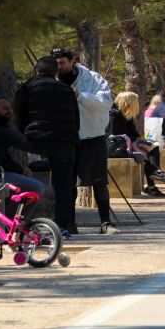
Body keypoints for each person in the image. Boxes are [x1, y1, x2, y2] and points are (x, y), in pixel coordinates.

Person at [54, 48, 119, 234]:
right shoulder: (51, 79)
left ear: (72, 61)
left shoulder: (93, 78)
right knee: (68, 184)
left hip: (93, 137)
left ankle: (105, 223)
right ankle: (69, 224)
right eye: (56, 64)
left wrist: (80, 96)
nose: (60, 67)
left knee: (99, 182)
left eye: (62, 63)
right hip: (66, 139)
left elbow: (106, 103)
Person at [13, 56, 80, 235]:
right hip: (65, 140)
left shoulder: (26, 88)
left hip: (36, 138)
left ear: (36, 69)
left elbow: (20, 117)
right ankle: (63, 226)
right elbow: (76, 121)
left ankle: (19, 221)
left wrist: (25, 134)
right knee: (64, 185)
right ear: (55, 71)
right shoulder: (67, 90)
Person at [109, 92, 165, 197]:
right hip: (117, 145)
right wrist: (135, 144)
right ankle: (153, 181)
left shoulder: (126, 114)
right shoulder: (113, 114)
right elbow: (116, 135)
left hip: (127, 141)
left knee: (154, 145)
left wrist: (141, 140)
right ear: (128, 102)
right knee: (147, 151)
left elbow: (133, 132)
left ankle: (155, 173)